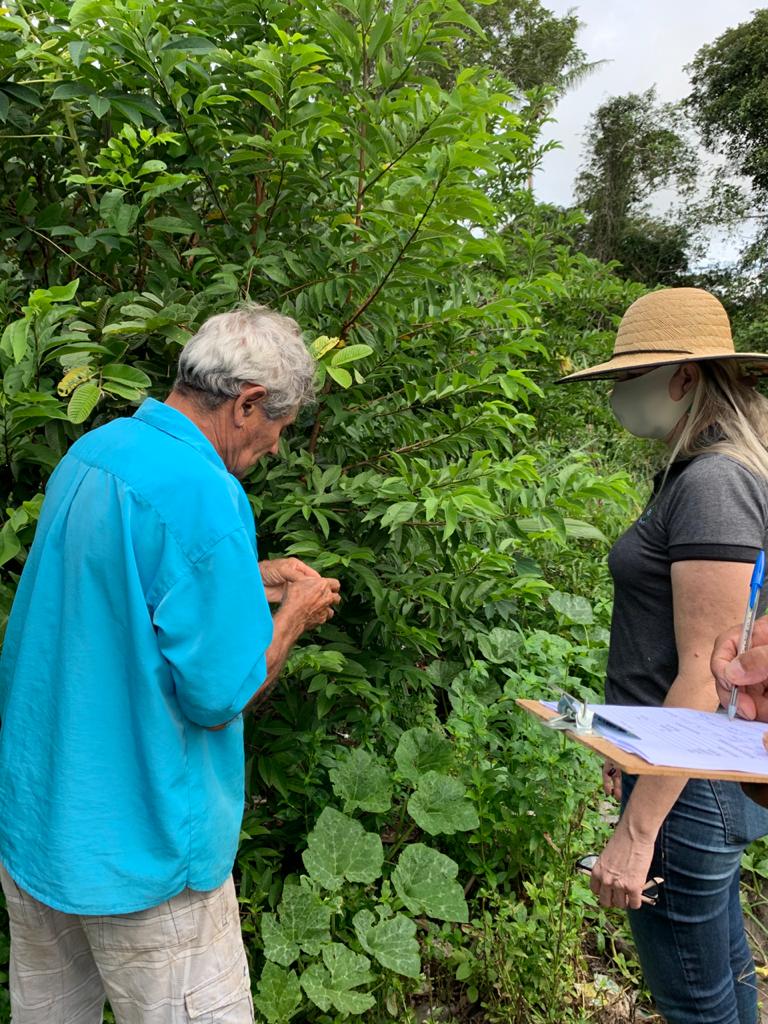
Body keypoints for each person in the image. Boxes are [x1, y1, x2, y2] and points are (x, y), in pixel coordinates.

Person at [0, 303, 341, 1023]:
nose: (276, 447)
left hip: (42, 830)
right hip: (143, 854)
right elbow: (222, 692)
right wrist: (292, 618)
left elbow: (122, 603)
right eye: (278, 426)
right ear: (247, 403)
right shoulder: (206, 492)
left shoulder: (96, 451)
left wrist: (251, 577)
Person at [559, 287, 768, 1024]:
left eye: (629, 377)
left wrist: (635, 834)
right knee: (723, 982)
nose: (619, 394)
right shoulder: (704, 475)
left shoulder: (713, 484)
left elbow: (706, 678)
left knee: (695, 1003)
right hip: (692, 776)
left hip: (687, 789)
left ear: (683, 378)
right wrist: (626, 742)